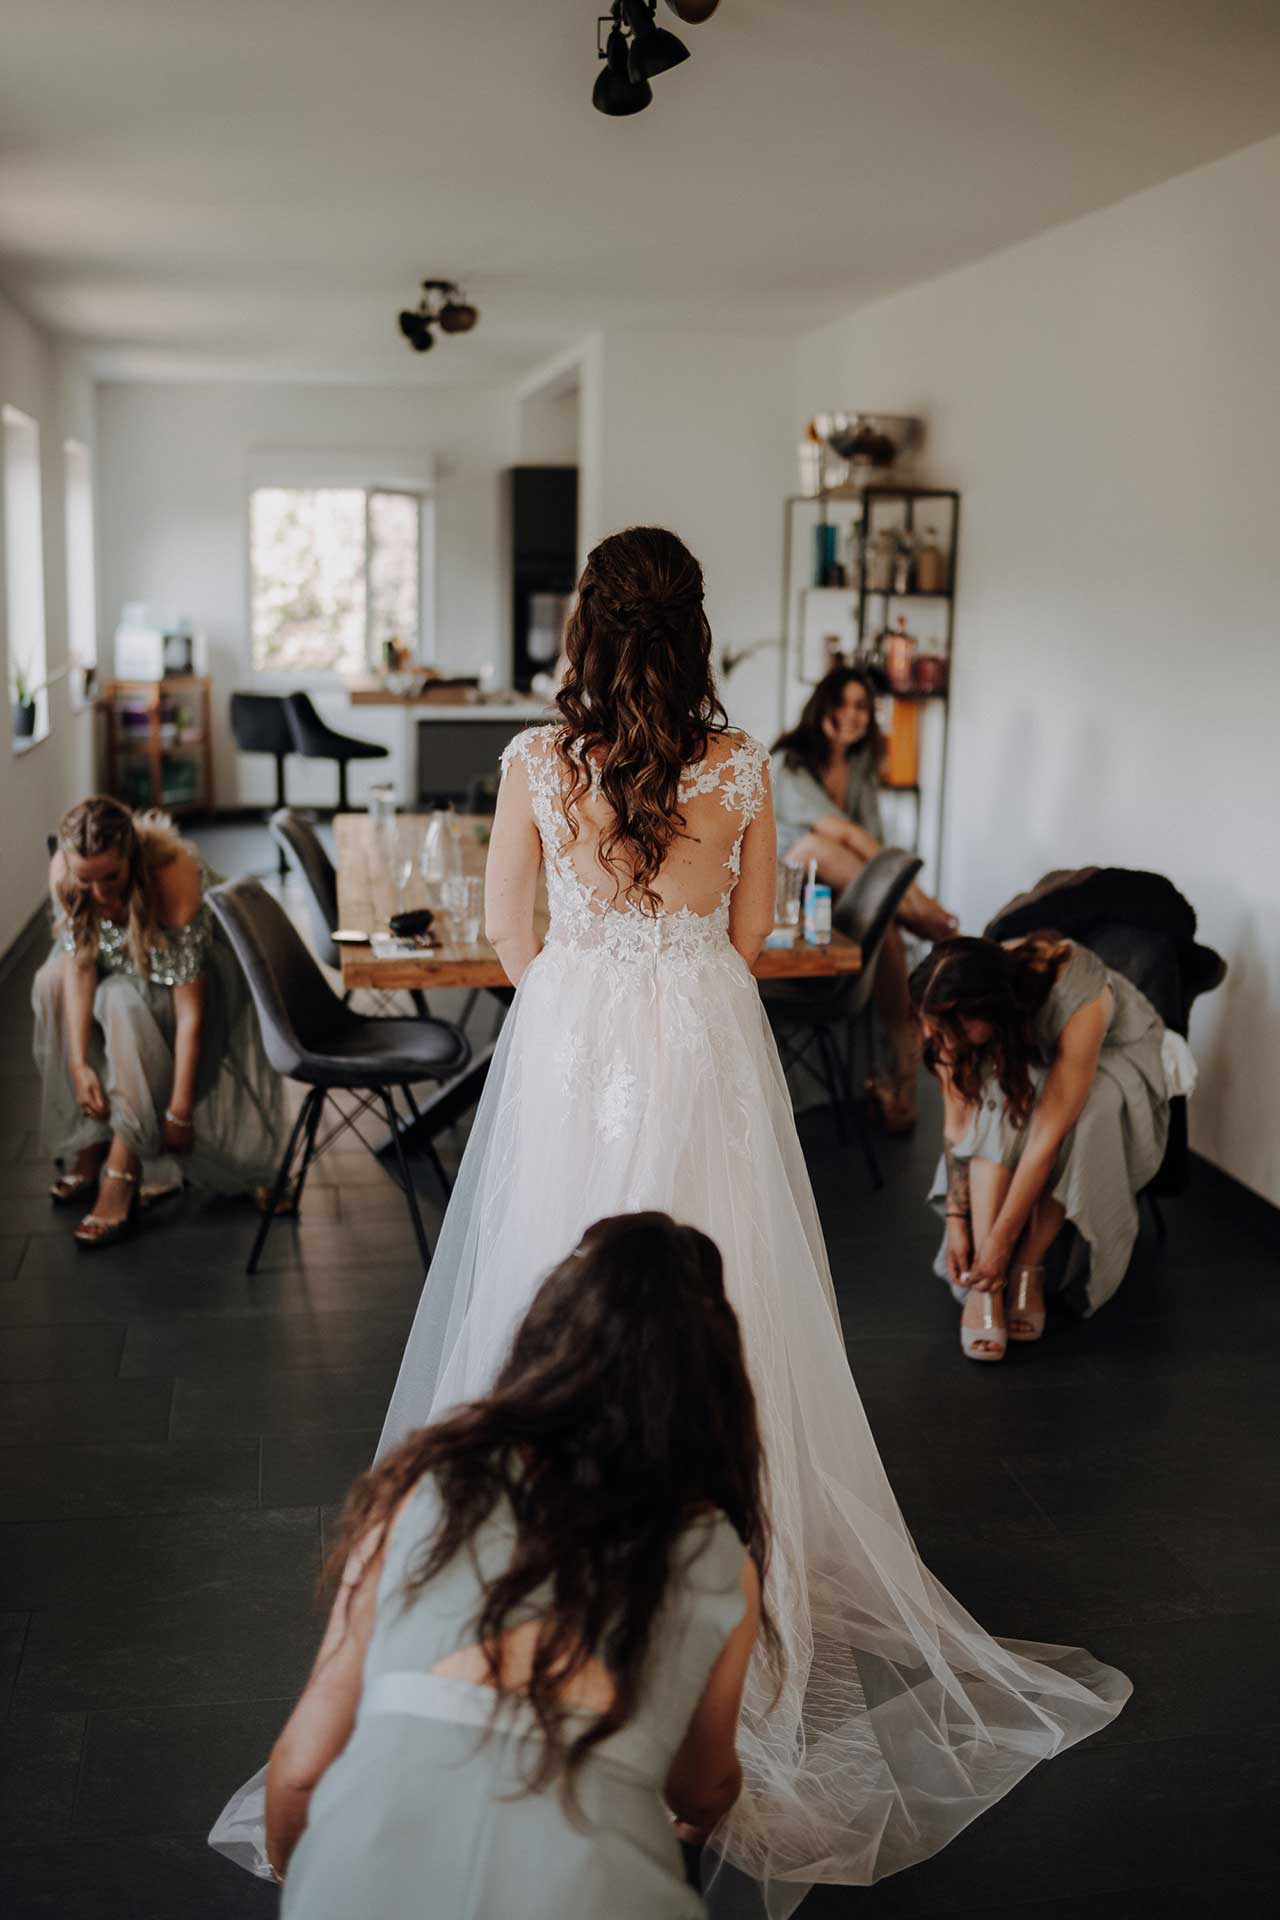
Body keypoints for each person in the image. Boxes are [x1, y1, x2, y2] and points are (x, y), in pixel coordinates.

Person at [213, 528, 1129, 1916]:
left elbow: (512, 934)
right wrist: (666, 973)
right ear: (693, 629)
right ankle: (713, 1559)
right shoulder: (742, 764)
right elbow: (752, 938)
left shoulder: (536, 761)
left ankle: (538, 1557)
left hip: (575, 1042)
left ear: (587, 625)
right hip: (702, 1041)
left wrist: (585, 999)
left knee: (550, 1290)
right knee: (725, 1294)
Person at [264, 1214, 769, 1919]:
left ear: (546, 1334)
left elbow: (298, 1772)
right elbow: (705, 1788)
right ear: (712, 1383)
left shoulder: (422, 1487)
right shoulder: (719, 1555)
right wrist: (676, 1834)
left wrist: (316, 1881)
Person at [32, 796, 283, 1246]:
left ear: (132, 859)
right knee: (51, 982)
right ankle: (91, 1145)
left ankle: (120, 1170)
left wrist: (180, 1110)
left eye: (112, 877)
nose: (102, 894)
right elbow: (81, 963)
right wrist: (78, 1064)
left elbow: (191, 1012)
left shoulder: (172, 877)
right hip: (113, 958)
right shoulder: (66, 878)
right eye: (86, 880)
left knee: (123, 1004)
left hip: (179, 973)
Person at [910, 933, 1171, 1360]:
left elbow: (1045, 1140)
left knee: (1088, 1115)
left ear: (990, 1012)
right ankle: (986, 1282)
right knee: (992, 1104)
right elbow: (959, 1123)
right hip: (1021, 1040)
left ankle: (1027, 1263)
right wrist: (959, 1221)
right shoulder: (949, 1011)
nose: (939, 1039)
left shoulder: (1078, 995)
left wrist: (1004, 1246)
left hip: (1110, 1046)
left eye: (950, 1029)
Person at [770, 667, 957, 1130]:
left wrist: (896, 890)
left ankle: (903, 1083)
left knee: (887, 926)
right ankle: (925, 917)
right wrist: (920, 898)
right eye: (843, 703)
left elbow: (870, 839)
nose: (852, 715)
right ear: (823, 707)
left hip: (839, 897)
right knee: (823, 847)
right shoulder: (791, 761)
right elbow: (844, 833)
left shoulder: (858, 769)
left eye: (861, 707)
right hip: (789, 892)